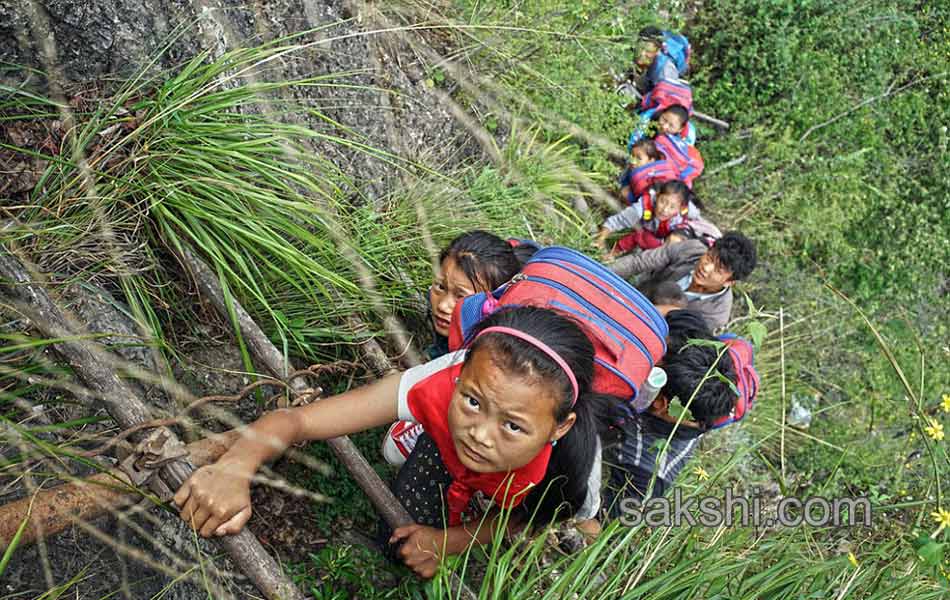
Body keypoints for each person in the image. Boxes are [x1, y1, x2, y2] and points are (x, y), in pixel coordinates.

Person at [173, 306, 601, 579]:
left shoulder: (568, 470)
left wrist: (447, 541)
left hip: (520, 489)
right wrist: (236, 464)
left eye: (512, 427)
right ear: (460, 372)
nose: (480, 434)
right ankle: (393, 546)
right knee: (412, 490)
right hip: (443, 443)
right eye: (472, 401)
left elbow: (528, 518)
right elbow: (299, 419)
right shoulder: (435, 384)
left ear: (559, 428)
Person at [573, 310, 737, 537]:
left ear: (659, 402)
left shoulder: (646, 472)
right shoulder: (697, 350)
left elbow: (599, 532)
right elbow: (674, 315)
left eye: (651, 367)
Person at [386, 231, 537, 465]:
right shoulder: (470, 322)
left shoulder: (499, 358)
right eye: (440, 287)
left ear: (491, 304)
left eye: (461, 296)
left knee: (395, 450)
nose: (444, 305)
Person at [609, 231, 757, 331]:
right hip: (633, 295)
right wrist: (601, 273)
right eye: (709, 258)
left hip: (645, 329)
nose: (706, 268)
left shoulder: (716, 314)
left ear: (729, 282)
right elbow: (638, 262)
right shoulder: (691, 249)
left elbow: (678, 335)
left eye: (718, 270)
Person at [596, 180, 703, 255]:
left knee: (675, 242)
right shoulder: (642, 207)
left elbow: (697, 221)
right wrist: (601, 238)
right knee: (640, 237)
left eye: (672, 207)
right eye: (662, 202)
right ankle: (613, 253)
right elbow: (617, 221)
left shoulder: (688, 211)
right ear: (657, 196)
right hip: (648, 230)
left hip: (665, 236)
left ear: (681, 208)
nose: (665, 210)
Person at [617, 139, 677, 206]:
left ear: (651, 161)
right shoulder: (631, 170)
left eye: (639, 158)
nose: (633, 161)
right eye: (632, 156)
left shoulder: (657, 169)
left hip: (652, 202)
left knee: (624, 192)